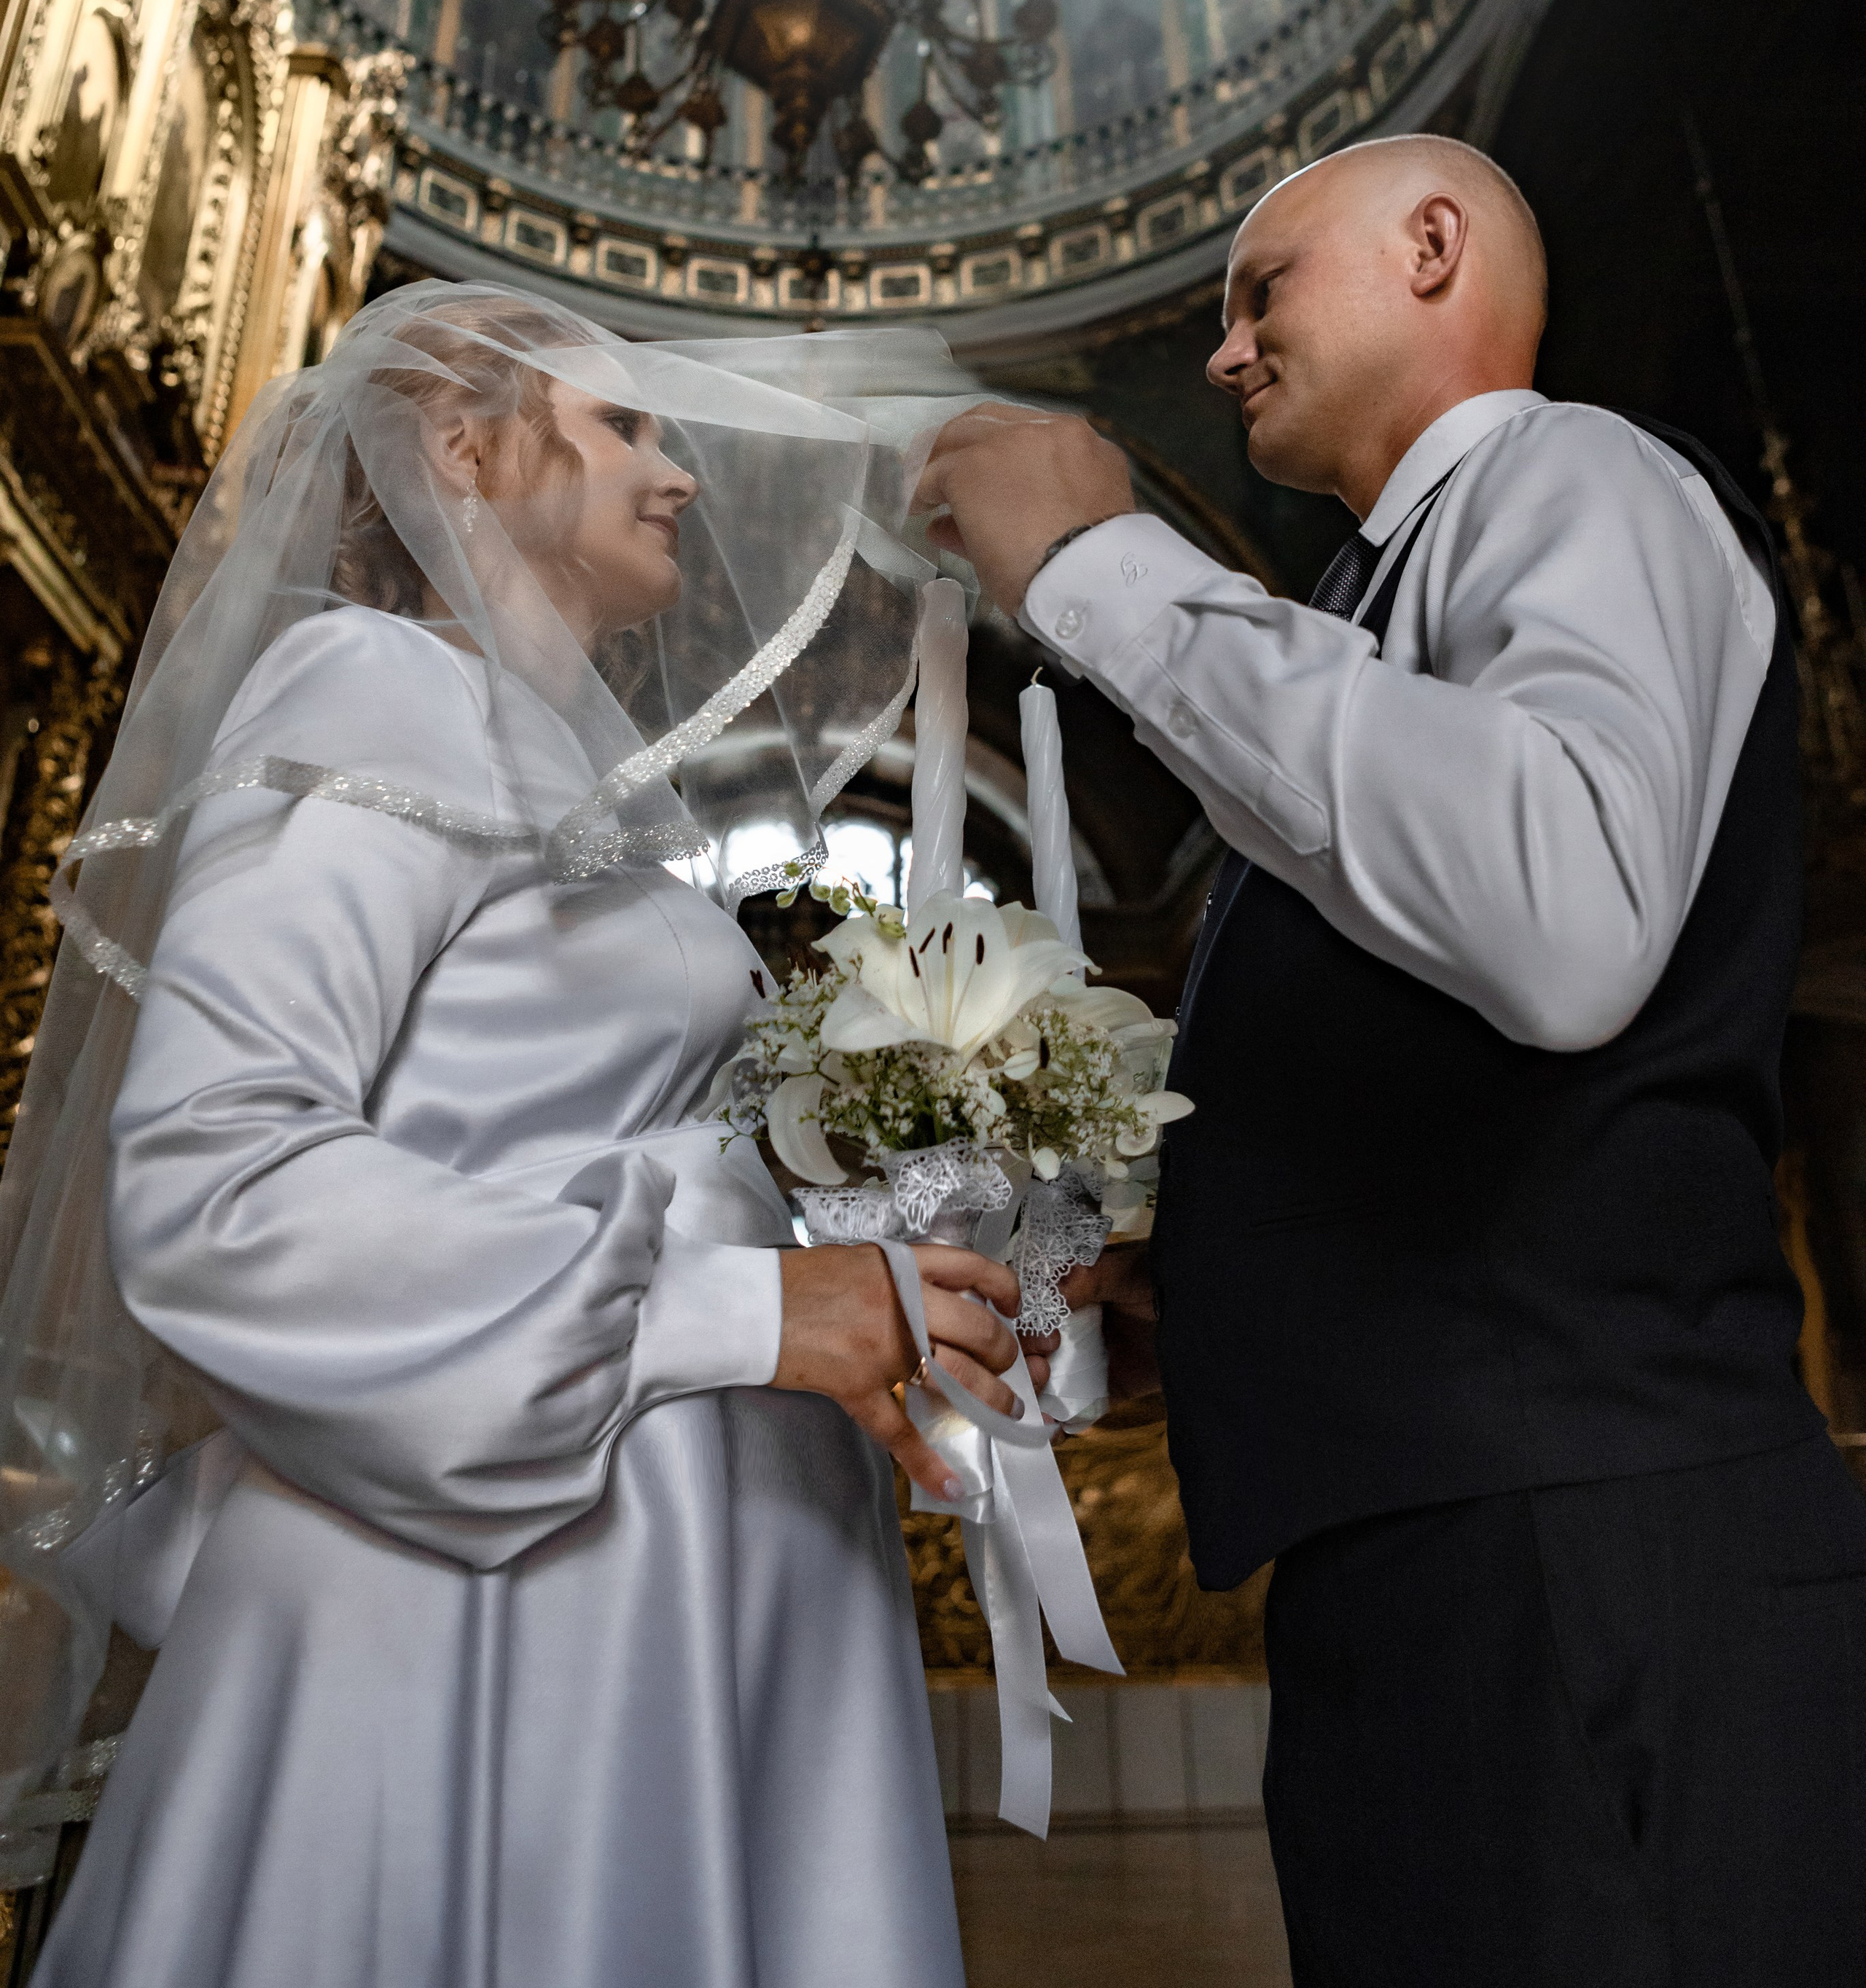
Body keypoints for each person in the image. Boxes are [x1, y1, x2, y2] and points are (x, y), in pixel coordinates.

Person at [916, 136, 1866, 1988]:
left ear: (1434, 247)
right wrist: (1171, 1278)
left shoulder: (1576, 474)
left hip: (1587, 1547)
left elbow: (1559, 914)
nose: (1219, 351)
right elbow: (1422, 1078)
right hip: (1436, 1562)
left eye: (1258, 290)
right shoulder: (1364, 617)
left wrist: (1111, 571)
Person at [0, 282, 1023, 1988]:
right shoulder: (369, 681)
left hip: (654, 1584)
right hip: (467, 1608)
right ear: (458, 451)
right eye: (619, 423)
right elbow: (214, 1187)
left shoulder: (550, 770)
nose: (677, 473)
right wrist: (744, 1312)